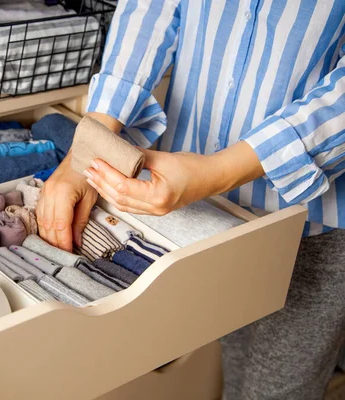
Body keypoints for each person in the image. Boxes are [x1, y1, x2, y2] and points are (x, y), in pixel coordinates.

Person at [36, 1, 345, 399]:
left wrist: (218, 171)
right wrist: (90, 146)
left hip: (317, 215)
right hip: (204, 214)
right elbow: (150, 12)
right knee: (233, 353)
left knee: (282, 390)